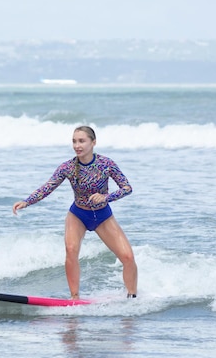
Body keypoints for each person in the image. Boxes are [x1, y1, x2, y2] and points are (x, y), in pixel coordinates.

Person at [13, 126, 138, 299]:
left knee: (128, 257)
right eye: (74, 141)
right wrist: (27, 201)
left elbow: (127, 188)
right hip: (78, 214)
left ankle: (132, 297)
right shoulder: (68, 167)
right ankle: (75, 297)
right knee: (71, 250)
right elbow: (48, 187)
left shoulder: (106, 164)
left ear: (93, 142)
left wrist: (106, 197)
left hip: (102, 216)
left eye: (81, 141)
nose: (77, 145)